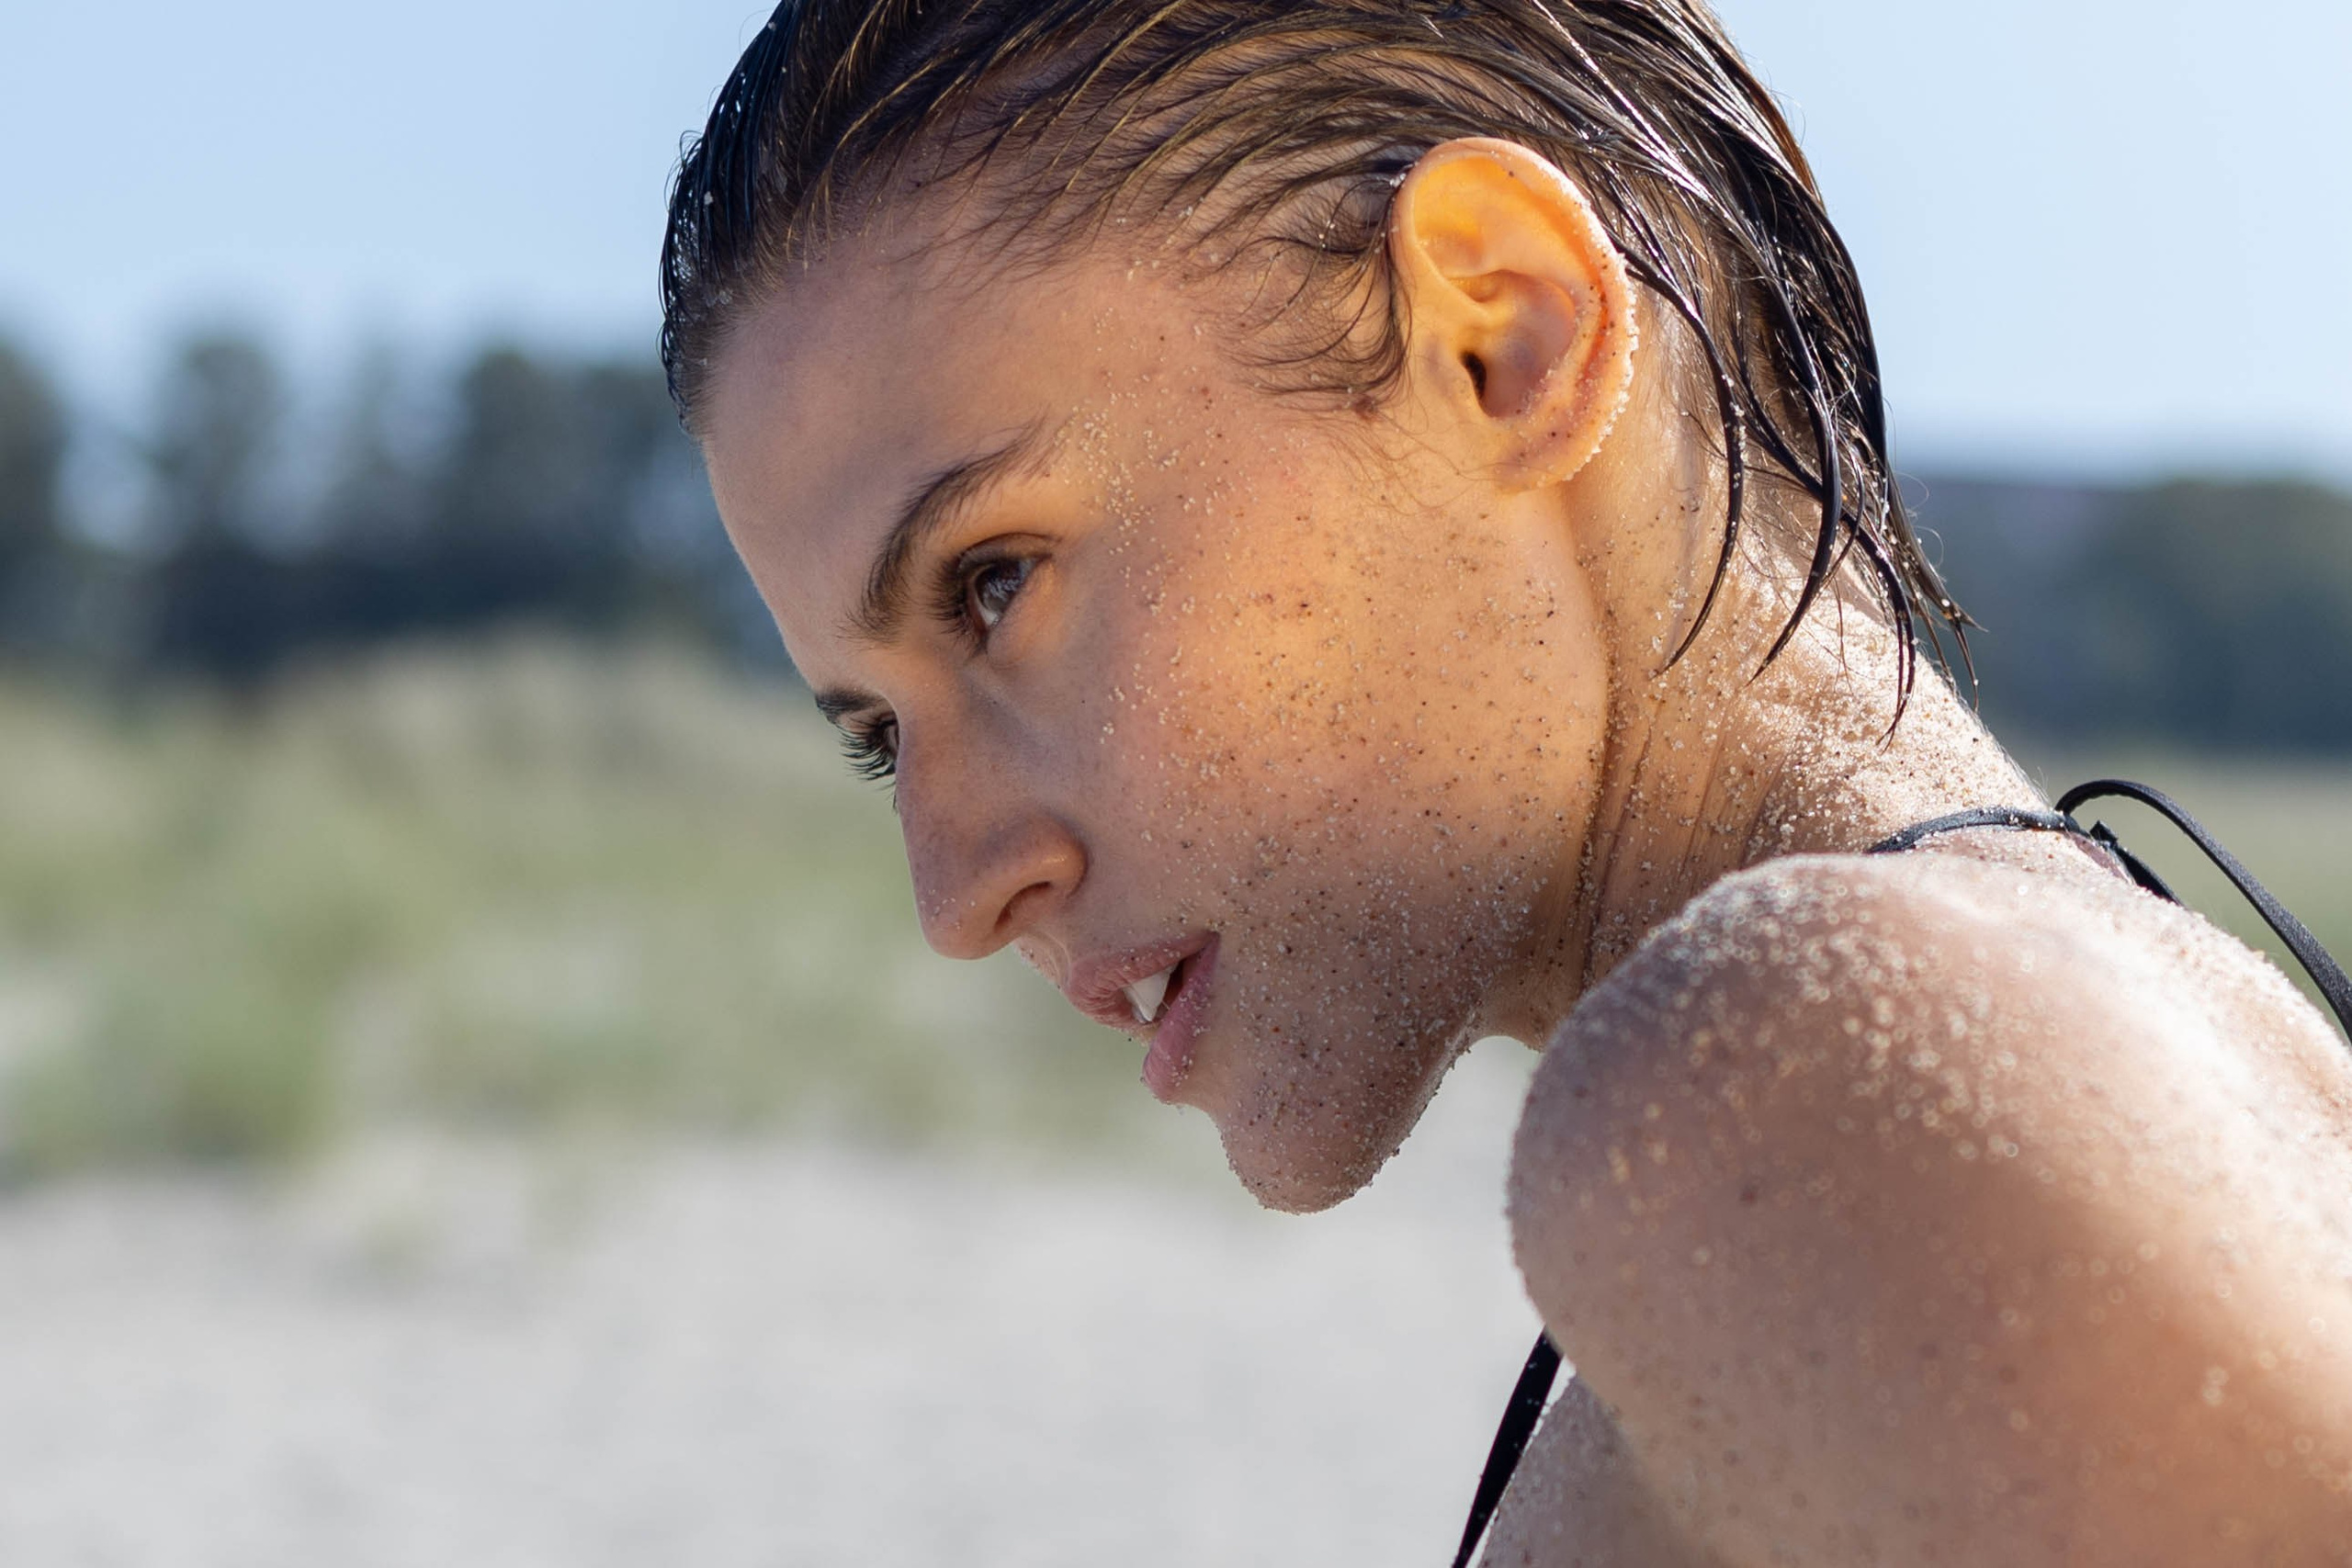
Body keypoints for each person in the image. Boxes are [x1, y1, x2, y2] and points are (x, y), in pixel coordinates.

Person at [659, 2, 2352, 1560]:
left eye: (994, 584)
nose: (956, 893)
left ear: (1504, 339)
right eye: (878, 737)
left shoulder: (1821, 1083)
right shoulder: (2068, 1029)